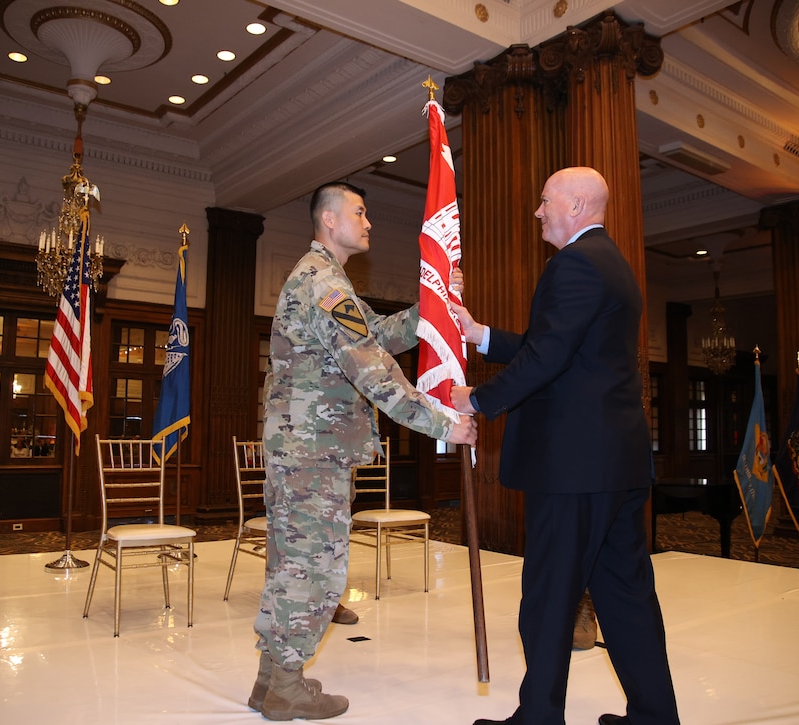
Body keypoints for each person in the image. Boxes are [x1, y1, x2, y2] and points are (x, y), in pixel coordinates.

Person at [452, 167, 678, 725]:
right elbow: (559, 346)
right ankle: (655, 716)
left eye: (546, 200)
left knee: (550, 598)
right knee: (626, 597)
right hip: (617, 465)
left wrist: (476, 400)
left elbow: (547, 358)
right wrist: (480, 333)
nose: (538, 211)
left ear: (576, 206)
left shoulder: (573, 264)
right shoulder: (613, 264)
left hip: (574, 469)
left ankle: (539, 719)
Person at [251, 180, 477, 721]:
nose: (368, 221)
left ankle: (271, 681)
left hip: (307, 451)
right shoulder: (324, 286)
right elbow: (377, 375)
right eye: (359, 211)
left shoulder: (325, 282)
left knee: (292, 567)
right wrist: (444, 422)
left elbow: (373, 334)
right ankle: (285, 686)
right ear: (329, 219)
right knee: (313, 570)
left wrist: (434, 305)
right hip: (313, 454)